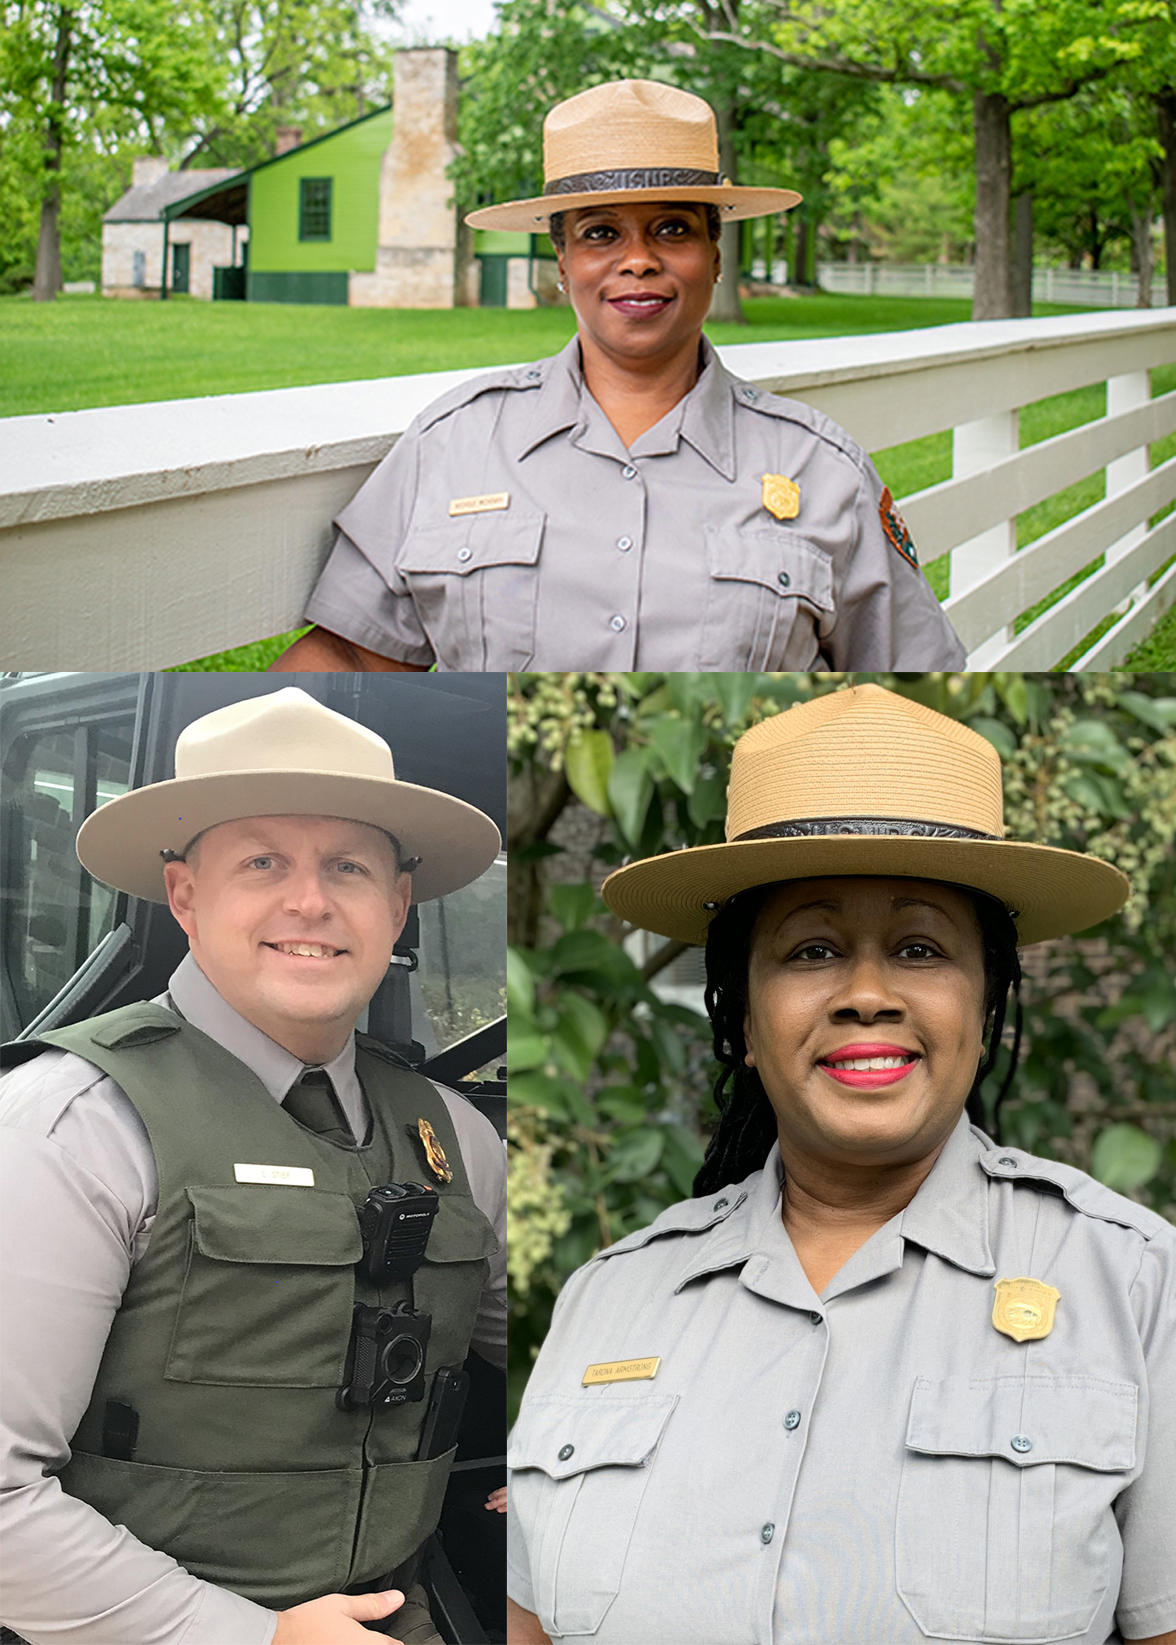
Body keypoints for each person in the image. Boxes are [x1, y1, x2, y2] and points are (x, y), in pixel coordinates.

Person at [505, 683, 1176, 1645]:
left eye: (919, 947)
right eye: (813, 950)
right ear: (739, 1015)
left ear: (985, 1010)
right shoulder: (608, 1298)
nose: (867, 993)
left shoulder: (1138, 1286)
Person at [0, 687, 506, 1645]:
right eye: (262, 860)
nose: (309, 900)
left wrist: (586, 1454)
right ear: (186, 893)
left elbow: (558, 1355)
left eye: (349, 865)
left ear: (398, 903)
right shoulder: (73, 1129)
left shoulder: (452, 1133)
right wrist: (257, 1638)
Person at [270, 80, 967, 675]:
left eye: (671, 229)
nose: (637, 260)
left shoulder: (822, 471)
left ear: (714, 255)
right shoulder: (454, 445)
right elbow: (353, 658)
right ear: (563, 259)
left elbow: (913, 687)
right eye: (602, 233)